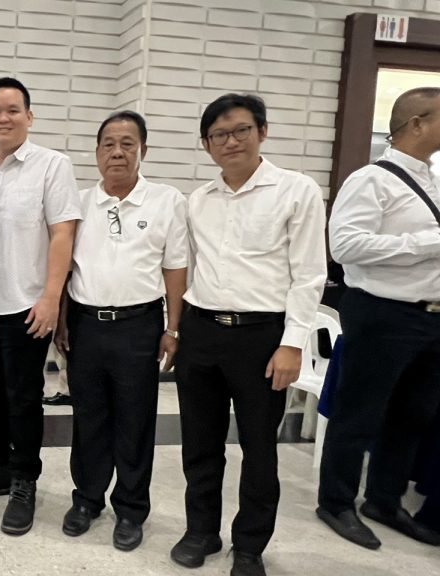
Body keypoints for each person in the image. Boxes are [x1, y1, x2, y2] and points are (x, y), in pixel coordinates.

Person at [172, 93, 326, 576]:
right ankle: (201, 530)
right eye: (219, 134)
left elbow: (309, 275)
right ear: (206, 144)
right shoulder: (198, 200)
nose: (231, 141)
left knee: (259, 449)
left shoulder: (296, 190)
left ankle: (250, 545)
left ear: (262, 132)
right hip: (201, 330)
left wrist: (292, 343)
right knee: (200, 443)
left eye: (241, 130)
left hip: (262, 337)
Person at [0, 76, 81, 536]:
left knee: (24, 398)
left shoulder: (53, 165)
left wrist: (51, 298)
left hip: (28, 305)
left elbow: (63, 234)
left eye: (12, 110)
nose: (3, 118)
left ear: (29, 116)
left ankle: (24, 480)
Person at [54, 111, 187, 551]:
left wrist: (173, 328)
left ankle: (130, 509)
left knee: (135, 420)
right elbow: (65, 268)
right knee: (88, 418)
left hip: (139, 326)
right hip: (86, 325)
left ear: (142, 150)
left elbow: (175, 268)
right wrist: (61, 320)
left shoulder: (166, 201)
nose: (117, 152)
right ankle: (87, 499)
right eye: (108, 144)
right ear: (96, 153)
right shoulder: (78, 204)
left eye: (127, 144)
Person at [317, 86, 440, 549]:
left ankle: (384, 500)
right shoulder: (372, 180)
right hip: (384, 313)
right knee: (360, 412)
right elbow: (345, 245)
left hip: (431, 317)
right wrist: (427, 244)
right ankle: (336, 502)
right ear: (417, 123)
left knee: (414, 414)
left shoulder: (434, 179)